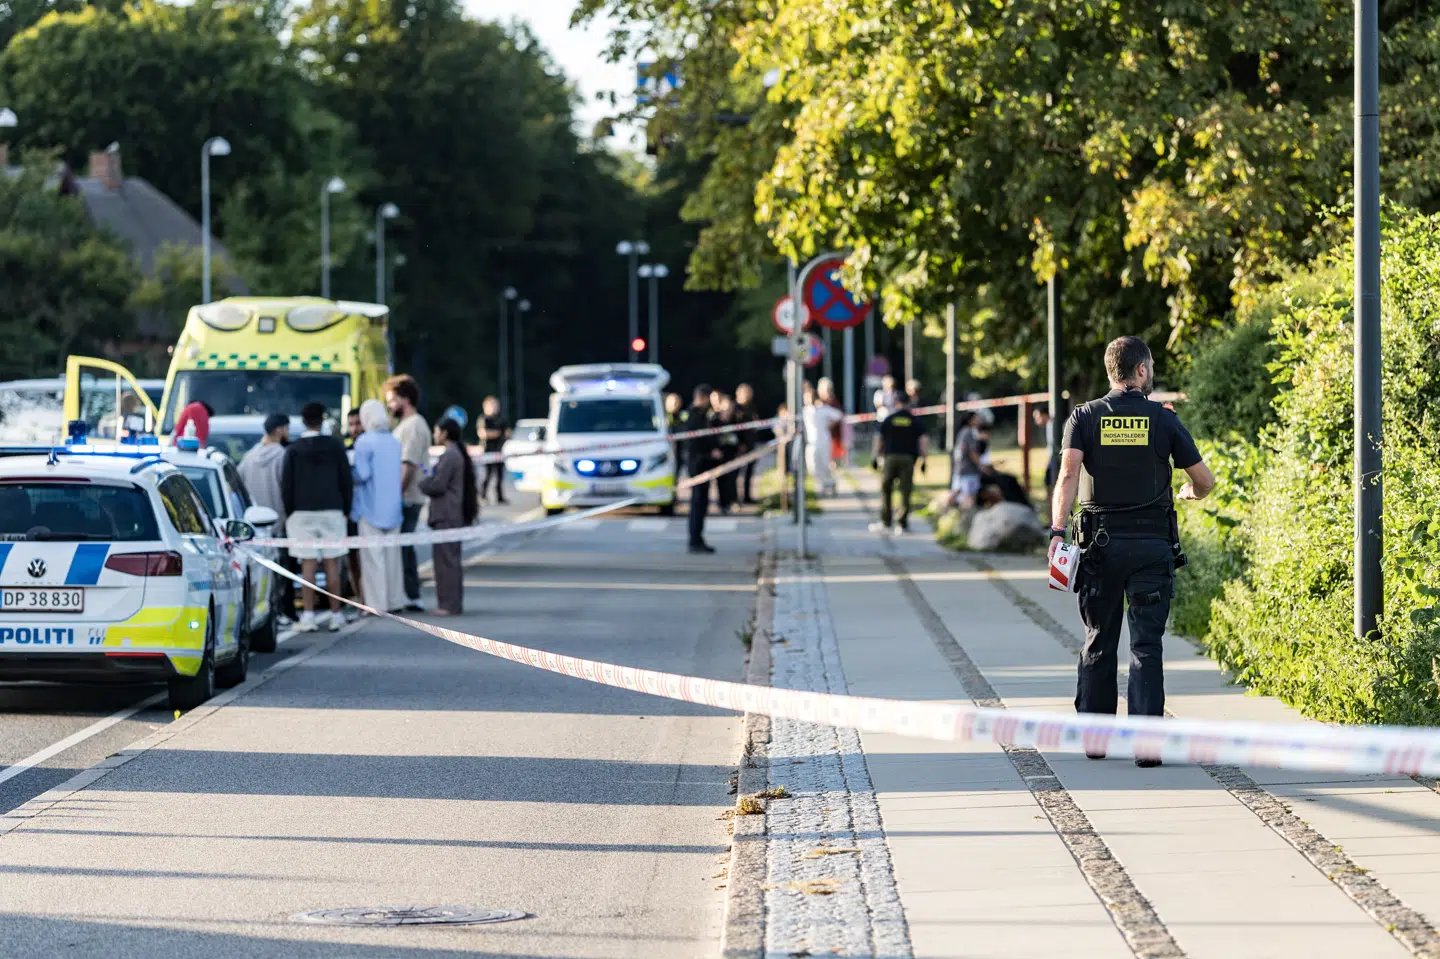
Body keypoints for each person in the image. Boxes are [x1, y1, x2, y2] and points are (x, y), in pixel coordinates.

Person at [1048, 336, 1215, 767]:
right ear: (1141, 371)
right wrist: (1191, 493)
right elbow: (1204, 480)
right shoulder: (1162, 420)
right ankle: (1146, 745)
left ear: (1111, 372)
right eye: (1151, 366)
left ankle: (1096, 740)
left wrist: (1055, 530)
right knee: (1146, 645)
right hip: (1151, 549)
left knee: (1099, 639)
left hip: (1099, 548)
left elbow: (1067, 476)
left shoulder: (1083, 417)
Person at [281, 402, 353, 632]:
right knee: (333, 564)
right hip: (332, 509)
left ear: (303, 421)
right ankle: (336, 614)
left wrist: (290, 510)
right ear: (322, 421)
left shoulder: (293, 449)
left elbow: (287, 484)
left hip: (301, 511)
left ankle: (309, 615)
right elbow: (346, 480)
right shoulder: (335, 447)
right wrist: (345, 508)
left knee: (307, 565)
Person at [420, 417, 480, 615]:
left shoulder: (451, 455)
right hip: (451, 513)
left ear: (444, 433)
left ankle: (448, 605)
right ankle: (451, 603)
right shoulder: (455, 454)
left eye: (437, 431)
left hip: (446, 514)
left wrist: (423, 482)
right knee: (449, 560)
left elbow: (438, 485)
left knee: (446, 562)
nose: (435, 435)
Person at [350, 399, 405, 614]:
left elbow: (362, 475)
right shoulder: (394, 441)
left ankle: (376, 604)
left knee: (373, 559)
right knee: (392, 558)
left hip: (370, 507)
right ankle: (395, 600)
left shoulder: (364, 442)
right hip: (393, 509)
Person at [239, 412, 293, 624]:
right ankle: (282, 611)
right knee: (283, 571)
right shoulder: (283, 456)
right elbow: (288, 487)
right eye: (287, 428)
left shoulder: (249, 457)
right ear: (280, 429)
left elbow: (238, 485)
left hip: (253, 525)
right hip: (278, 522)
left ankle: (267, 612)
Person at [385, 374, 430, 613]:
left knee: (403, 545)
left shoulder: (414, 426)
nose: (389, 405)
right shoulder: (405, 425)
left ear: (405, 399)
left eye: (392, 400)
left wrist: (397, 494)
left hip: (408, 496)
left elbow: (408, 465)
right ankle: (407, 593)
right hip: (404, 495)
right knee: (403, 545)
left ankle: (410, 594)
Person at [870, 392, 928, 533]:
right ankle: (902, 524)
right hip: (908, 459)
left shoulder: (889, 419)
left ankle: (886, 521)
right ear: (909, 403)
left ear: (896, 403)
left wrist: (875, 457)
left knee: (886, 489)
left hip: (890, 458)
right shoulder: (915, 421)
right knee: (905, 491)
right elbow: (924, 441)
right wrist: (924, 460)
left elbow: (880, 440)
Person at [683, 385, 721, 553]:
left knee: (701, 503)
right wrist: (709, 453)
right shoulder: (694, 417)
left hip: (703, 464)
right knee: (698, 503)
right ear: (703, 398)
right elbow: (695, 443)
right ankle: (695, 539)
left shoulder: (702, 415)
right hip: (698, 465)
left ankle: (697, 538)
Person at [803, 383, 843, 496]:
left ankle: (829, 483)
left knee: (825, 464)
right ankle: (824, 483)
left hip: (823, 440)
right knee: (812, 466)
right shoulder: (805, 411)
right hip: (811, 443)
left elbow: (839, 415)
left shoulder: (823, 409)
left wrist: (830, 425)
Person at [711, 391, 740, 514]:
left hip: (732, 454)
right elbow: (711, 438)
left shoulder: (736, 420)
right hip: (720, 456)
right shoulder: (715, 421)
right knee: (721, 480)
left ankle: (732, 501)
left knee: (732, 479)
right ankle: (722, 503)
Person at [478, 395, 509, 504]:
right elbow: (484, 434)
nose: (495, 407)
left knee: (500, 476)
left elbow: (507, 433)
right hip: (488, 451)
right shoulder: (484, 419)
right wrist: (498, 434)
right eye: (492, 405)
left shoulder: (501, 419)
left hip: (499, 451)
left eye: (496, 405)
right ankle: (483, 495)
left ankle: (499, 497)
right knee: (488, 475)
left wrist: (497, 434)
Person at [950, 411, 985, 509]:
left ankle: (947, 511)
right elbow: (972, 452)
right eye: (976, 418)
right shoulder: (969, 433)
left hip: (960, 468)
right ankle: (967, 518)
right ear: (970, 420)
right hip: (969, 470)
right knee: (970, 497)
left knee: (957, 493)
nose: (978, 420)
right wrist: (981, 465)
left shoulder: (962, 432)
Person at [733, 384, 760, 505]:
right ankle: (734, 497)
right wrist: (741, 444)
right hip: (740, 445)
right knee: (736, 473)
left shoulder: (751, 407)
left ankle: (747, 496)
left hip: (750, 444)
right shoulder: (735, 409)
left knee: (749, 472)